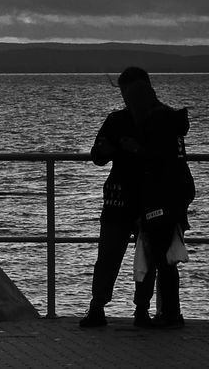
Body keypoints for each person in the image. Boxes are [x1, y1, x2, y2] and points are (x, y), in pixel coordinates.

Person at [78, 67, 156, 328]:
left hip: (134, 198)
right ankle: (112, 308)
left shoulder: (151, 120)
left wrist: (122, 150)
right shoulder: (121, 120)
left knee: (127, 256)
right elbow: (97, 155)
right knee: (116, 256)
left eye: (128, 91)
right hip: (132, 198)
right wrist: (110, 148)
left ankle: (130, 309)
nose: (126, 97)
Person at [123, 71, 194, 328]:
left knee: (158, 254)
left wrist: (135, 148)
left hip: (160, 197)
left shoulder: (153, 122)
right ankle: (168, 312)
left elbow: (154, 159)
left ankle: (169, 314)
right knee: (165, 256)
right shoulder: (170, 119)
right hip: (177, 194)